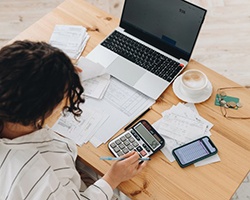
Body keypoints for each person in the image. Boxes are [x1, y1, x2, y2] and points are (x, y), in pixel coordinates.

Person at [0, 40, 147, 200]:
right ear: (42, 110)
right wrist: (112, 178)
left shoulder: (13, 119)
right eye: (64, 97)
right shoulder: (40, 178)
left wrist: (59, 71)